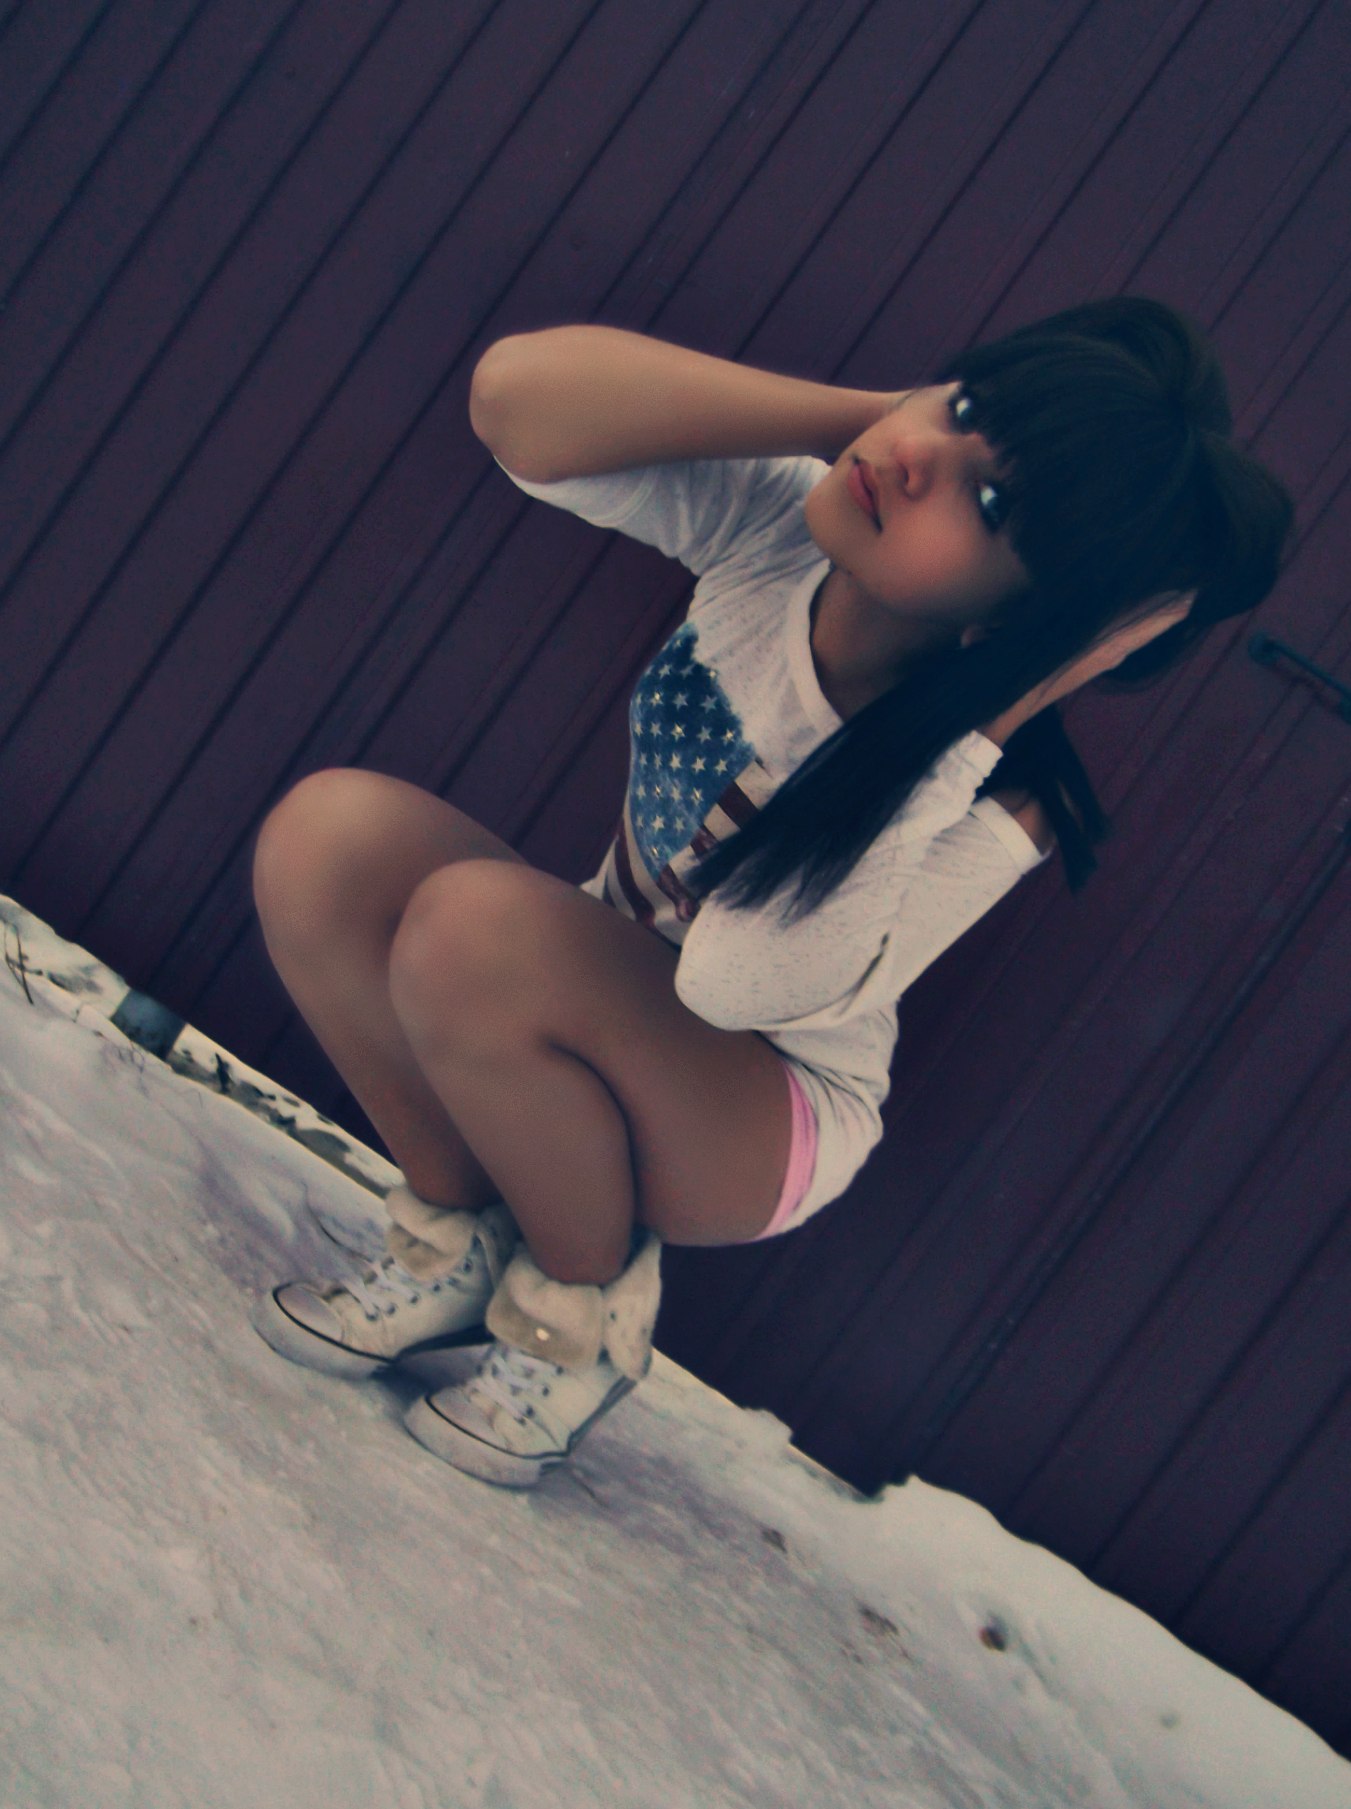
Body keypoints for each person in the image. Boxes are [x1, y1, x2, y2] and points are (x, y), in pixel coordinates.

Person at [250, 298, 1293, 1489]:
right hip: (585, 984)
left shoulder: (996, 805)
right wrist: (876, 421)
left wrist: (1002, 704)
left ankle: (577, 1317)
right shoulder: (779, 536)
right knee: (328, 841)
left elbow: (735, 984)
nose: (921, 460)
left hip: (754, 1117)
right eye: (964, 407)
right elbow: (517, 402)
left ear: (1028, 615)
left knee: (470, 928)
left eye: (992, 502)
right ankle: (456, 1240)